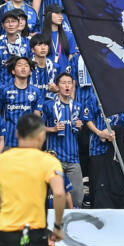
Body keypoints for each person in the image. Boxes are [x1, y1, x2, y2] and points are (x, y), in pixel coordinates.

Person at [0, 113, 66, 246]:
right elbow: (59, 193)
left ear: (16, 134)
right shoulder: (49, 161)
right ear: (42, 135)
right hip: (35, 236)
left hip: (5, 234)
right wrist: (57, 226)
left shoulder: (0, 160)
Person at [41, 72, 84, 208]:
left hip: (73, 160)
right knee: (54, 200)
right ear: (57, 86)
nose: (67, 86)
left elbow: (80, 129)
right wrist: (52, 129)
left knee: (77, 199)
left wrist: (80, 125)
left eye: (69, 83)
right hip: (55, 159)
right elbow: (37, 127)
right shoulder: (48, 105)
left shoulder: (78, 106)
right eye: (63, 83)